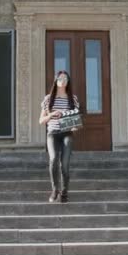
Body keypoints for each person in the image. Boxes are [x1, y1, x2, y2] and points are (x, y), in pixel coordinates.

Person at [39, 70, 80, 203]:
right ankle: (55, 189)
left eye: (66, 78)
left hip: (67, 133)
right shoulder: (48, 99)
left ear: (68, 82)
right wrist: (51, 115)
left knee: (65, 164)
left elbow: (76, 119)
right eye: (61, 78)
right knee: (53, 159)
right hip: (53, 133)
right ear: (56, 81)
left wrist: (75, 125)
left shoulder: (72, 99)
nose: (63, 80)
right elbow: (41, 121)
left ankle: (65, 191)